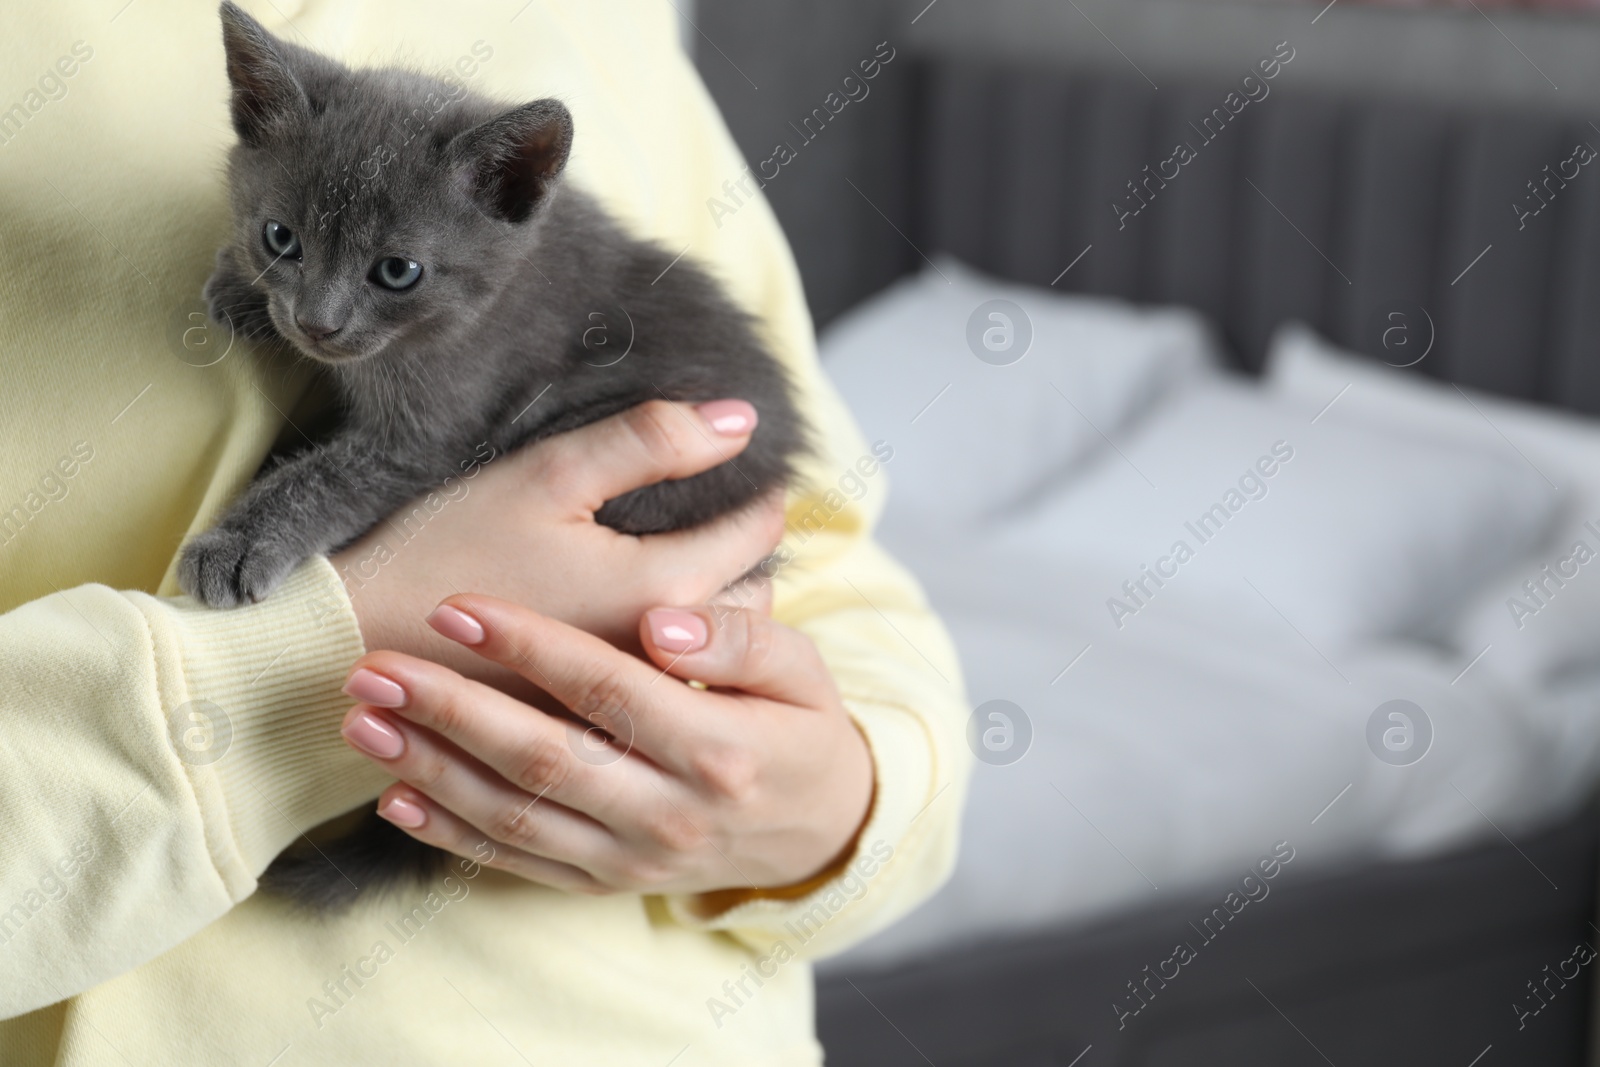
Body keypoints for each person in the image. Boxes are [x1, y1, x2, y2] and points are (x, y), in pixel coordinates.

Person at [0, 2, 969, 1064]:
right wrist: (260, 688)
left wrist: (830, 806)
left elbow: (822, 562)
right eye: (283, 242)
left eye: (390, 275)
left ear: (514, 189)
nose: (317, 317)